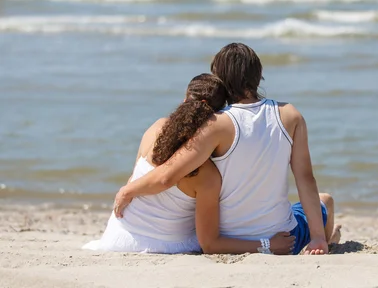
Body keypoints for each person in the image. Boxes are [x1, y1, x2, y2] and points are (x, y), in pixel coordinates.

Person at [113, 43, 341, 255]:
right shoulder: (291, 115)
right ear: (259, 76)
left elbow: (168, 175)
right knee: (325, 200)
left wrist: (127, 190)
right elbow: (305, 178)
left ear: (219, 80)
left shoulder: (216, 124)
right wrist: (317, 236)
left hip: (227, 241)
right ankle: (325, 242)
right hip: (284, 239)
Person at [84, 74, 295, 254]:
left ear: (185, 98)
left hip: (115, 235)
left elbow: (137, 179)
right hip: (164, 246)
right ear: (217, 115)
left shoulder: (156, 129)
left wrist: (126, 191)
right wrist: (267, 244)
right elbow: (210, 244)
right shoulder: (206, 174)